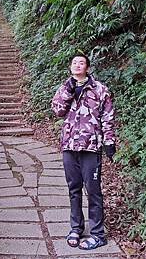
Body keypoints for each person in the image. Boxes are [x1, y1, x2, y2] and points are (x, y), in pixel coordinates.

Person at [51, 53, 116, 250]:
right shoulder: (65, 87)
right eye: (74, 63)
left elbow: (108, 116)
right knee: (73, 189)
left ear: (87, 67)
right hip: (70, 146)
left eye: (81, 62)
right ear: (70, 67)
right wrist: (69, 90)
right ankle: (76, 228)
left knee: (93, 191)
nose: (77, 65)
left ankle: (98, 234)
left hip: (91, 146)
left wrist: (109, 141)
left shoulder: (100, 89)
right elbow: (57, 111)